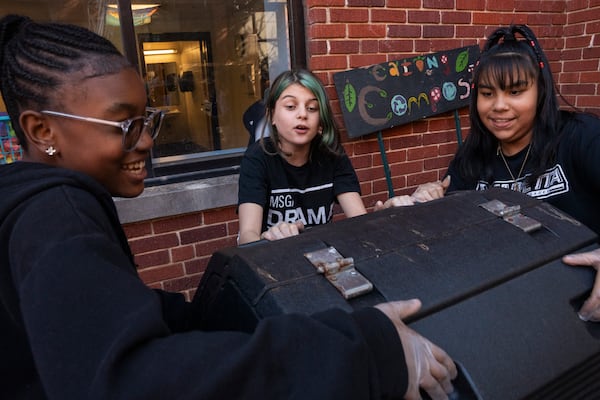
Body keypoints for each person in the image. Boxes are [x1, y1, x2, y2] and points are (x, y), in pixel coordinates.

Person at [0, 15, 457, 399]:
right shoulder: (57, 214)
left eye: (147, 121)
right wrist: (368, 350)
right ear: (41, 131)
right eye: (124, 124)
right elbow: (131, 377)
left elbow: (93, 326)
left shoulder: (48, 207)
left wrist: (398, 210)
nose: (144, 142)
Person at [384, 25, 600, 321]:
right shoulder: (473, 156)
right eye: (487, 93)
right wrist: (414, 210)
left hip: (580, 306)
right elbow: (448, 223)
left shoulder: (580, 138)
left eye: (515, 91)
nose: (499, 106)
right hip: (507, 308)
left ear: (541, 90)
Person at [237, 69, 412, 244]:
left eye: (312, 108)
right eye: (290, 106)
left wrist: (384, 215)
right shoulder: (257, 158)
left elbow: (359, 221)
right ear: (271, 115)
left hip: (322, 255)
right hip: (273, 257)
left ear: (321, 120)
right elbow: (247, 236)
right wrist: (268, 238)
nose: (302, 114)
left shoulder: (332, 154)